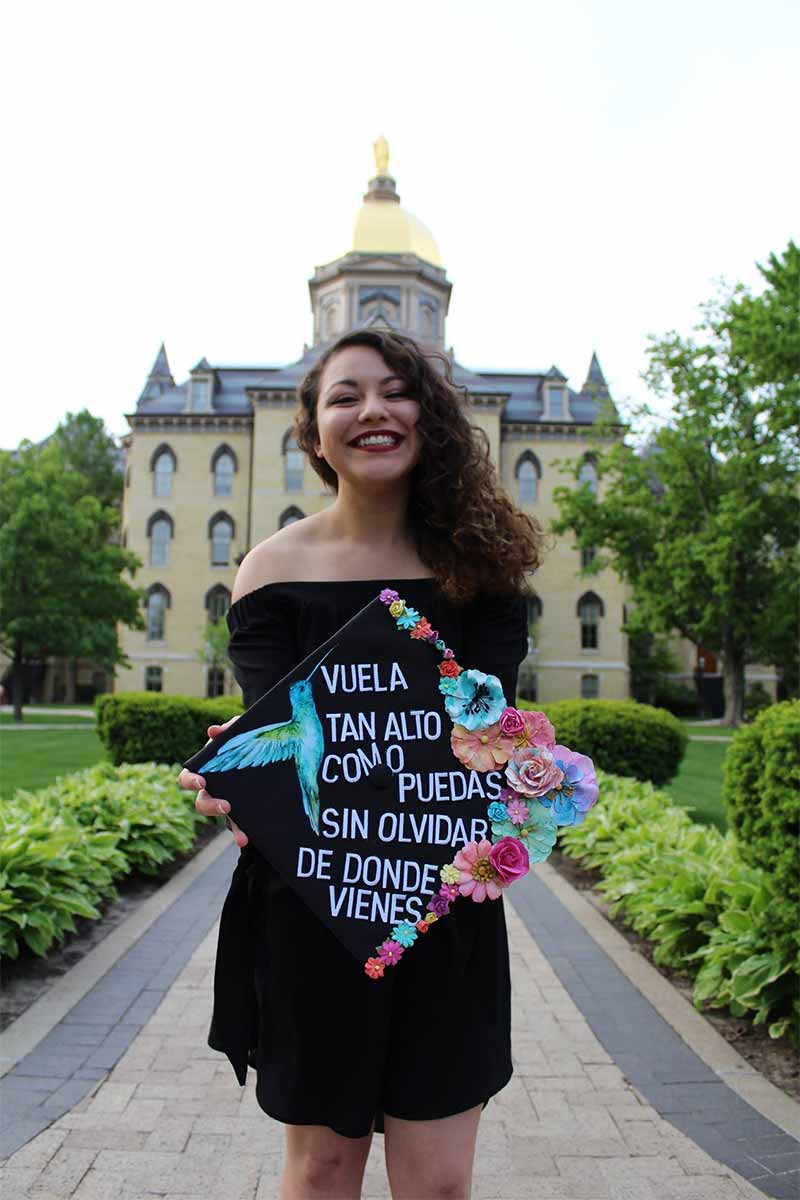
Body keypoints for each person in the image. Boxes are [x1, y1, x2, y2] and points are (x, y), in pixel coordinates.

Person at [180, 329, 543, 1199]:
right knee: (322, 1168)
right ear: (312, 431)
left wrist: (529, 763)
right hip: (316, 904)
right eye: (345, 396)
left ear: (432, 417)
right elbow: (302, 736)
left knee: (439, 1181)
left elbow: (477, 730)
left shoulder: (481, 574)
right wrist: (238, 771)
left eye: (396, 391)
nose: (372, 411)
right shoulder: (271, 573)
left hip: (442, 903)